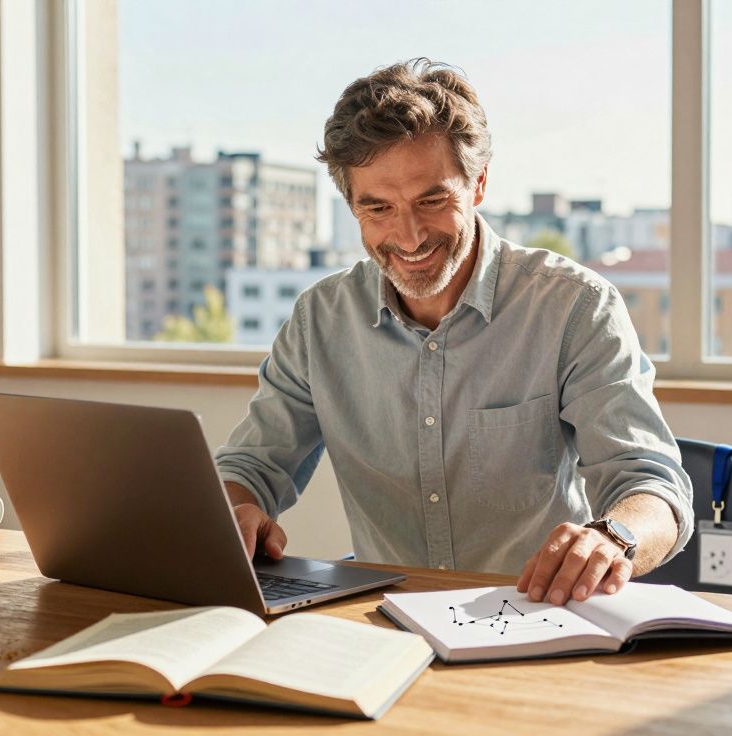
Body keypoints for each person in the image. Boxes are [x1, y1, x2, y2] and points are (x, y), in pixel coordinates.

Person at [214, 59, 693, 606]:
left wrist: (613, 538)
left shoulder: (573, 307)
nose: (409, 236)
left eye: (432, 200)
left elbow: (653, 486)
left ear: (478, 183)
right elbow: (252, 465)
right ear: (352, 206)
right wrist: (237, 508)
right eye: (378, 208)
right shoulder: (319, 320)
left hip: (536, 616)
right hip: (383, 617)